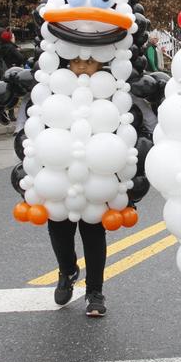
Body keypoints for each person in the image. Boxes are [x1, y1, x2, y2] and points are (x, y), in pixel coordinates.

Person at [50, 57, 109, 318]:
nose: (83, 66)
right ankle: (67, 270)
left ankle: (94, 292)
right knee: (60, 228)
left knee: (93, 231)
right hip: (59, 171)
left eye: (90, 61)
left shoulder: (109, 89)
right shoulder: (54, 87)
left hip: (96, 173)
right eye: (75, 61)